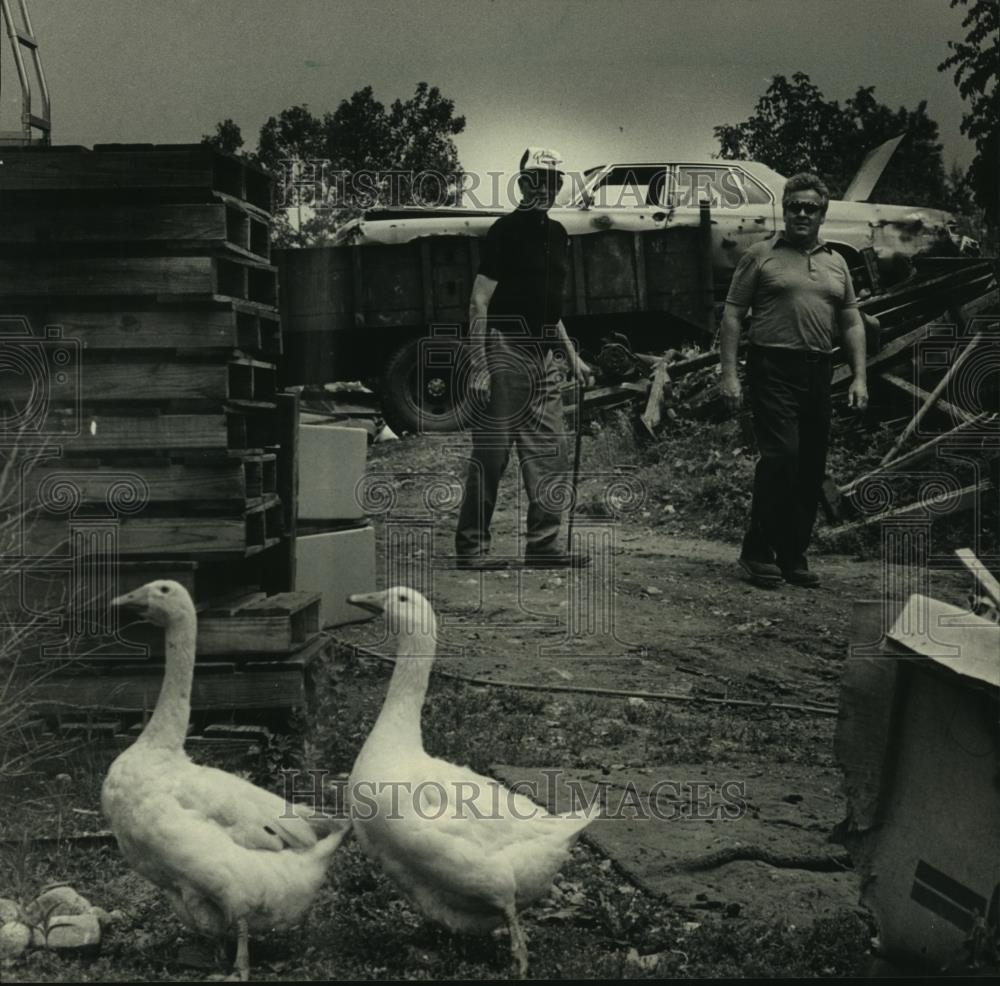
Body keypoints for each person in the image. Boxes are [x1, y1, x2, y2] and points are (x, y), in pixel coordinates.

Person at [719, 172, 868, 587]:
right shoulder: (760, 255)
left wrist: (860, 377)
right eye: (794, 206)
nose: (802, 213)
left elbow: (852, 321)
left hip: (818, 371)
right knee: (782, 456)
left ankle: (792, 553)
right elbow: (732, 315)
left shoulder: (836, 263)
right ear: (784, 210)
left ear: (823, 213)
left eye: (811, 207)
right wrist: (729, 374)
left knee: (809, 465)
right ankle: (756, 549)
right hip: (772, 368)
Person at [454, 146, 593, 570]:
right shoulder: (505, 231)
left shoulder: (557, 235)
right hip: (504, 350)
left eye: (554, 181)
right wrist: (479, 366)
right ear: (523, 183)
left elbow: (548, 306)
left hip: (543, 354)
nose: (547, 189)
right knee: (492, 453)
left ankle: (544, 546)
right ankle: (472, 547)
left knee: (551, 448)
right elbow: (480, 301)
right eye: (539, 180)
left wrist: (571, 355)